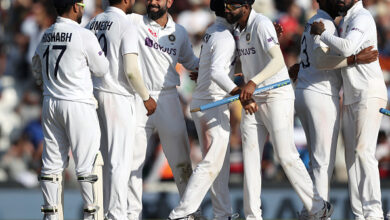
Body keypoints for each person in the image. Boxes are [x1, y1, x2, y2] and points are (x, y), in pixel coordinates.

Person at [224, 0, 333, 219]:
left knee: (286, 155)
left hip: (276, 95)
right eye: (226, 4)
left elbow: (277, 62)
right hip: (254, 99)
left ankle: (318, 207)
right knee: (251, 161)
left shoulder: (262, 23)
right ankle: (252, 216)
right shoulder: (237, 29)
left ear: (246, 6)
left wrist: (252, 82)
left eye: (232, 5)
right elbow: (246, 62)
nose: (227, 9)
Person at [291, 0, 379, 219]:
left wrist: (301, 66)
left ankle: (369, 212)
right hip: (322, 95)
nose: (338, 0)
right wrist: (355, 59)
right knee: (324, 162)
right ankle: (319, 212)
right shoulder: (327, 23)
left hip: (317, 92)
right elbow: (322, 60)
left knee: (350, 155)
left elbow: (322, 55)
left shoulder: (335, 20)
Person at [32, 0, 109, 219]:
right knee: (88, 165)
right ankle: (93, 216)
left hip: (50, 104)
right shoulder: (83, 35)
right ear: (76, 7)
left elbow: (36, 66)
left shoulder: (46, 34)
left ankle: (51, 216)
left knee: (51, 165)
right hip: (78, 104)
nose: (83, 10)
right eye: (82, 6)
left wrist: (46, 85)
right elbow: (102, 68)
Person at [167, 0, 245, 219]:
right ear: (227, 11)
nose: (239, 9)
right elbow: (219, 73)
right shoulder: (225, 37)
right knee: (212, 162)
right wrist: (240, 94)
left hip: (207, 103)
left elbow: (212, 67)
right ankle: (181, 213)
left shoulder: (214, 31)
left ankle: (223, 213)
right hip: (213, 105)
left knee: (220, 164)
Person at [126, 0, 199, 219]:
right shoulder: (133, 22)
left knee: (181, 161)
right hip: (140, 97)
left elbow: (192, 63)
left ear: (170, 2)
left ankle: (189, 213)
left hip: (168, 96)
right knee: (133, 162)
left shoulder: (180, 32)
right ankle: (131, 215)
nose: (153, 2)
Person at [86, 0, 157, 219]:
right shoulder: (126, 24)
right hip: (118, 96)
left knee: (103, 160)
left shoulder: (92, 23)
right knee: (119, 161)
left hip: (94, 95)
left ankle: (103, 211)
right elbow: (132, 71)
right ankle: (116, 215)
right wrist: (146, 97)